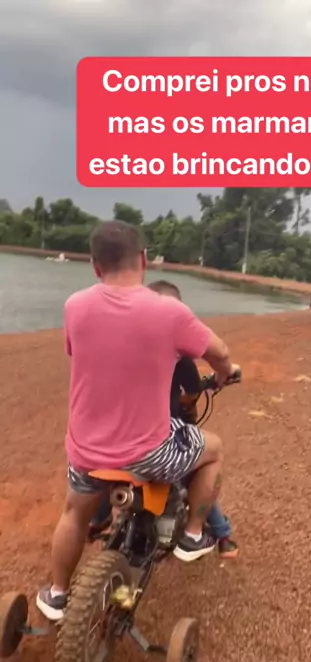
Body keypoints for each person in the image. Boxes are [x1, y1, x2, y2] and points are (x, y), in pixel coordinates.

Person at [36, 220, 237, 622]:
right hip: (149, 455)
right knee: (213, 448)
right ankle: (194, 535)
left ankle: (56, 595)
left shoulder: (75, 306)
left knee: (73, 513)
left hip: (86, 452)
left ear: (95, 265)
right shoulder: (170, 311)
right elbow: (220, 352)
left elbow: (80, 352)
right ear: (144, 259)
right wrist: (224, 373)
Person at [88, 279, 239, 559]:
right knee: (201, 464)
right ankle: (210, 533)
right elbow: (192, 392)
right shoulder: (180, 357)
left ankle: (95, 520)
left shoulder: (113, 342)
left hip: (103, 436)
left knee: (107, 469)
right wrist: (214, 381)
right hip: (154, 440)